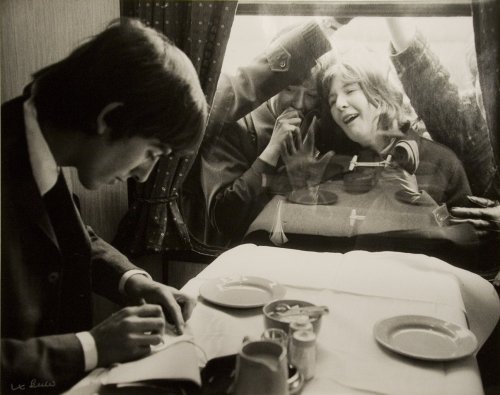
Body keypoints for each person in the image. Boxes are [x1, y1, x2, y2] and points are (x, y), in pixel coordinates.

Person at [1, 18, 206, 393]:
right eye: (151, 152)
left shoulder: (34, 145)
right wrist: (91, 346)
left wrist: (133, 281)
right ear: (108, 118)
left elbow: (67, 235)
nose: (144, 175)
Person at [201, 20, 339, 245]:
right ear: (274, 82)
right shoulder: (234, 124)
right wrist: (270, 153)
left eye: (311, 95)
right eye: (289, 89)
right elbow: (223, 217)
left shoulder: (319, 121)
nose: (300, 103)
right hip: (243, 248)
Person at [316, 47, 472, 207]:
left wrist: (416, 202)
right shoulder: (337, 167)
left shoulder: (442, 163)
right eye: (332, 101)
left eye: (350, 90)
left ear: (381, 94)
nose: (339, 104)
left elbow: (464, 229)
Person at [386, 18, 499, 199]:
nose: (494, 87)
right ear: (475, 82)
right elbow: (423, 75)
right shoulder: (471, 126)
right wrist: (391, 13)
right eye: (486, 75)